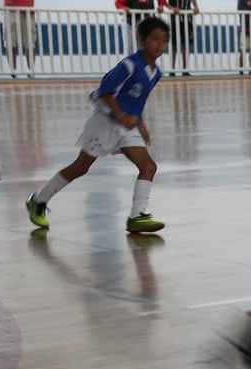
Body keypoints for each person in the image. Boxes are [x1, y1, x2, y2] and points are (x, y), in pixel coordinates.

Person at [25, 17, 169, 234]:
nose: (159, 45)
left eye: (164, 41)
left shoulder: (155, 73)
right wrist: (120, 115)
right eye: (154, 39)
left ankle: (137, 216)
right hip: (105, 122)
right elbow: (105, 90)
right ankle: (38, 200)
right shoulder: (129, 65)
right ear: (142, 40)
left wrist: (141, 124)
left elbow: (138, 100)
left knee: (148, 166)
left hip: (127, 127)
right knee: (81, 167)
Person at [3, 0, 37, 78]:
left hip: (28, 9)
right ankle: (13, 72)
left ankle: (31, 72)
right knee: (11, 41)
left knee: (30, 42)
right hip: (11, 9)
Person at [167, 0, 199, 76]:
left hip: (187, 19)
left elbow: (193, 1)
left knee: (187, 44)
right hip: (175, 18)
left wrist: (196, 7)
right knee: (174, 44)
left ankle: (185, 69)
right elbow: (166, 3)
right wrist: (172, 8)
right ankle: (172, 70)